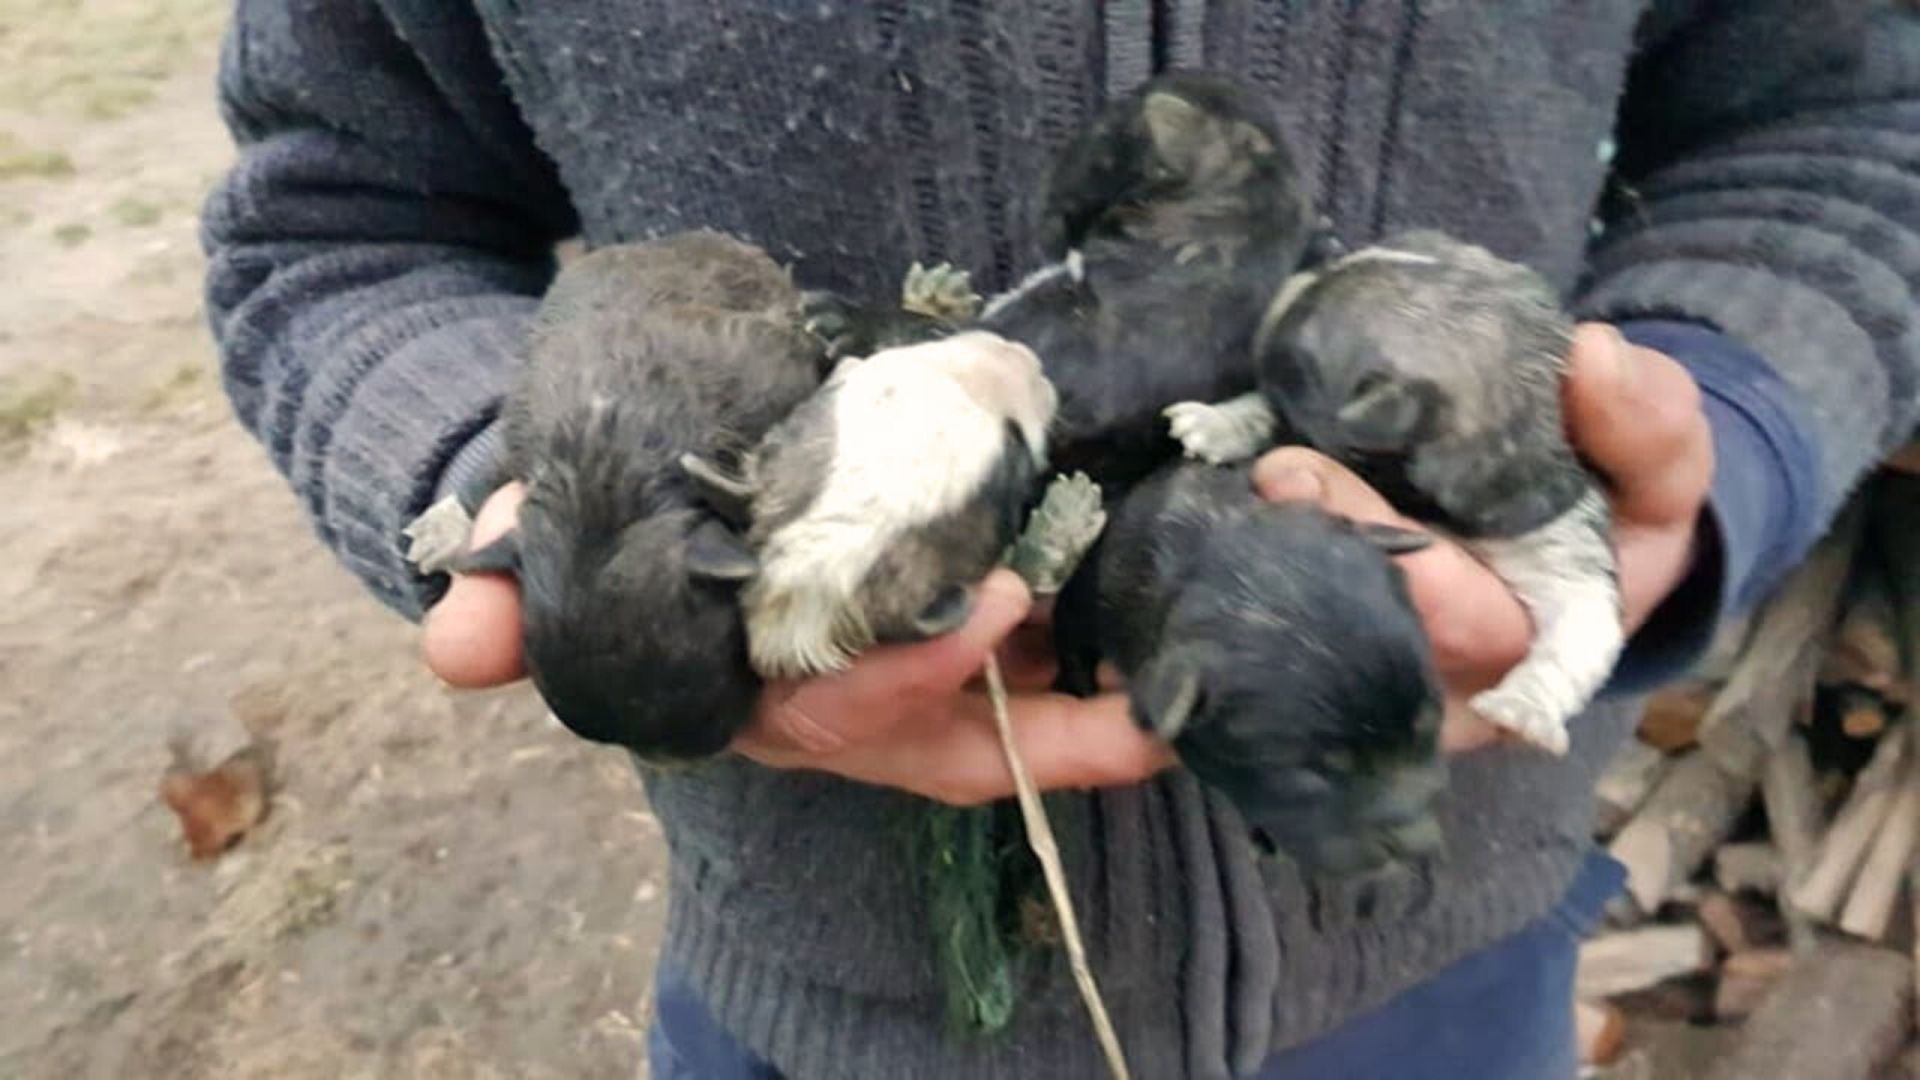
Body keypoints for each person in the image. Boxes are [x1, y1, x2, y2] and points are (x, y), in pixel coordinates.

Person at [200, 3, 1918, 1077]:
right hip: (817, 995)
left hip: (1461, 972)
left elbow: (1846, 125)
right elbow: (337, 218)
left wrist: (1705, 452)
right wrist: (522, 500)